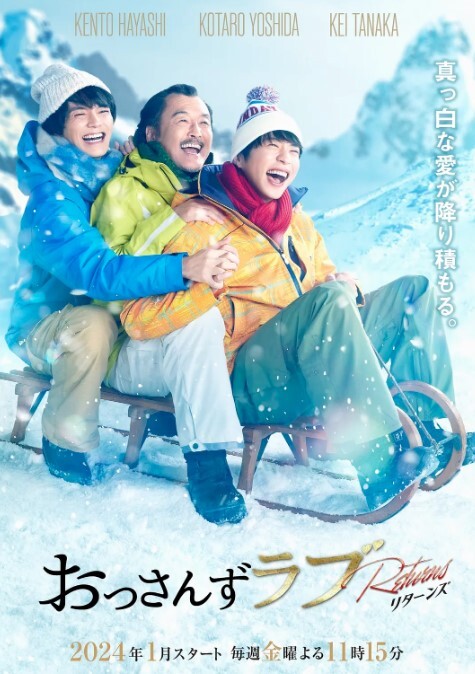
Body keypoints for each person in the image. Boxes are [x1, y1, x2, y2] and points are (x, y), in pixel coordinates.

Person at [117, 86, 469, 514]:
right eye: (271, 146)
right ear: (240, 157)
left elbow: (325, 282)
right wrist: (204, 290)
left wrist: (346, 288)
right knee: (328, 301)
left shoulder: (295, 221)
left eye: (293, 150)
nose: (284, 158)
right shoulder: (202, 219)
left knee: (414, 290)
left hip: (312, 359)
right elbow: (137, 317)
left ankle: (430, 430)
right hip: (249, 379)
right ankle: (380, 464)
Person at [6, 65, 246, 525]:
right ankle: (66, 441)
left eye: (103, 112)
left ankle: (207, 459)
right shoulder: (52, 199)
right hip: (50, 327)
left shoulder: (110, 168)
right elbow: (99, 273)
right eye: (80, 114)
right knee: (91, 324)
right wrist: (183, 266)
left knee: (194, 314)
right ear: (57, 126)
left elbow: (146, 168)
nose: (96, 122)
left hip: (122, 329)